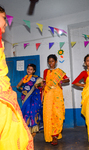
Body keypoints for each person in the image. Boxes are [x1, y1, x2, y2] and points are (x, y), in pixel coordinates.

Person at [0, 6, 34, 150]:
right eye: (3, 18)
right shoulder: (25, 78)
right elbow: (20, 85)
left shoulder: (36, 78)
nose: (6, 24)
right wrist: (21, 90)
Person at [43, 54, 70, 145]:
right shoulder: (45, 71)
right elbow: (44, 82)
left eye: (52, 61)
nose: (51, 63)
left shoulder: (59, 71)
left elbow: (67, 80)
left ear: (56, 62)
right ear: (48, 62)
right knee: (48, 114)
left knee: (58, 114)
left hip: (57, 94)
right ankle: (52, 135)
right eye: (49, 61)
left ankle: (55, 134)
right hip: (48, 95)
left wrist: (61, 81)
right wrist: (41, 90)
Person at [17, 64, 43, 138]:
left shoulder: (36, 78)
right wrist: (23, 90)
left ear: (34, 71)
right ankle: (27, 130)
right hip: (26, 99)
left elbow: (42, 84)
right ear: (26, 69)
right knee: (26, 113)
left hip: (34, 98)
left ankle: (34, 131)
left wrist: (37, 85)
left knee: (33, 112)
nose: (29, 70)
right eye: (28, 69)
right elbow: (18, 86)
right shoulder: (24, 78)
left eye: (31, 69)